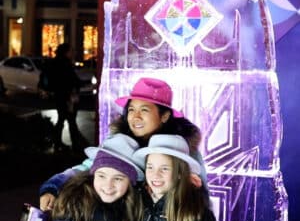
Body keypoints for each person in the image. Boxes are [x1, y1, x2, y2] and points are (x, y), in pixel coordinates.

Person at [39, 77, 208, 211]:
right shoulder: (120, 143)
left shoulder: (180, 150)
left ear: (164, 116)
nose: (135, 117)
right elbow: (86, 168)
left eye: (144, 110)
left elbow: (200, 198)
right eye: (132, 109)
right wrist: (54, 187)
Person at [42, 133, 144, 221]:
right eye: (101, 176)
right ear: (93, 175)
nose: (108, 186)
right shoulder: (75, 200)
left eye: (118, 178)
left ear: (130, 182)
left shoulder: (133, 205)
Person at [133, 134, 218, 221]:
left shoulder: (196, 211)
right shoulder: (134, 200)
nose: (155, 174)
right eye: (150, 167)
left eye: (164, 169)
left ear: (180, 173)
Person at [45, 43, 86, 152]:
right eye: (72, 50)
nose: (74, 53)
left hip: (60, 96)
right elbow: (71, 80)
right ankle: (75, 145)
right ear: (66, 52)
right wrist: (81, 85)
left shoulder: (56, 62)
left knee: (63, 119)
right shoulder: (64, 64)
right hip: (66, 97)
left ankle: (58, 143)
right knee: (70, 120)